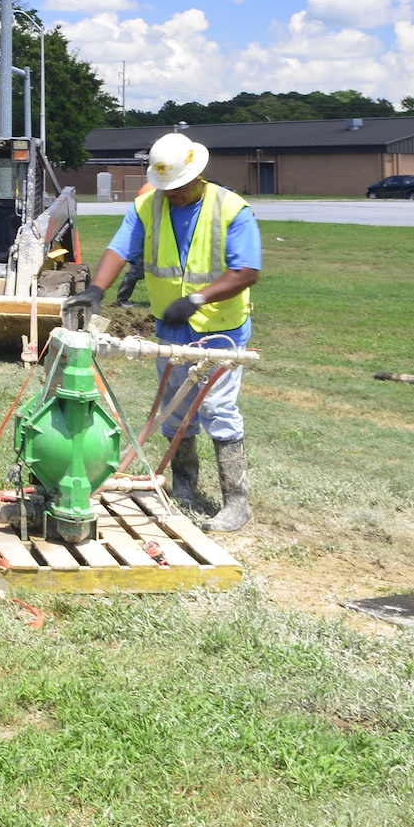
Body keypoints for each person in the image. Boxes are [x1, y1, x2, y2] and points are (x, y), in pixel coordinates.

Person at [74, 132, 261, 533]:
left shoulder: (231, 208)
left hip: (220, 332)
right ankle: (184, 488)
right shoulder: (148, 205)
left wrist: (196, 300)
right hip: (170, 329)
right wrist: (96, 290)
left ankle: (236, 503)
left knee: (217, 410)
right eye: (167, 188)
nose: (172, 195)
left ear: (199, 174)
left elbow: (247, 271)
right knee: (175, 411)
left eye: (179, 187)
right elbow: (121, 249)